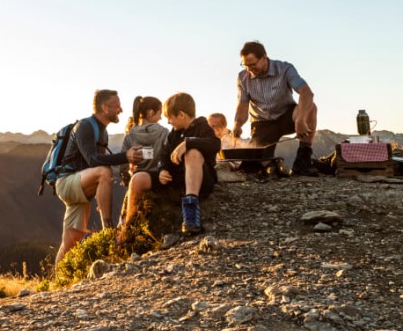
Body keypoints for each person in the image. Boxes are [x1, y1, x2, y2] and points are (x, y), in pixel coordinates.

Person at [55, 89, 143, 264]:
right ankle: (108, 230)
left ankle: (54, 281)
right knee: (104, 171)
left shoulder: (101, 131)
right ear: (104, 107)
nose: (121, 110)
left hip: (80, 185)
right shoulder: (85, 127)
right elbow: (93, 160)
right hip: (67, 182)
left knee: (71, 240)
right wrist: (125, 156)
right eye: (117, 106)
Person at [119, 92, 220, 237]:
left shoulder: (202, 126)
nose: (168, 122)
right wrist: (162, 170)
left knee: (193, 153)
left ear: (181, 115)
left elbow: (215, 143)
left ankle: (191, 215)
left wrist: (188, 143)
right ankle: (129, 228)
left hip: (200, 181)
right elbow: (165, 156)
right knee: (137, 178)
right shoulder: (173, 133)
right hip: (176, 180)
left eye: (170, 118)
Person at [231, 40, 319, 176]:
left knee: (311, 108)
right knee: (253, 167)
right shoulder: (242, 78)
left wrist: (301, 120)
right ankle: (273, 165)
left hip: (287, 116)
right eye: (246, 65)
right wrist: (237, 124)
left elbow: (307, 93)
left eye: (253, 64)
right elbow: (242, 106)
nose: (249, 69)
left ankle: (303, 161)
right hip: (262, 123)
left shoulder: (285, 69)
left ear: (264, 58)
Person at [120, 96, 168, 182]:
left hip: (137, 181)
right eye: (160, 113)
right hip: (159, 181)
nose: (161, 118)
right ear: (151, 113)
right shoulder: (164, 133)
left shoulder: (129, 136)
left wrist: (128, 182)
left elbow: (123, 167)